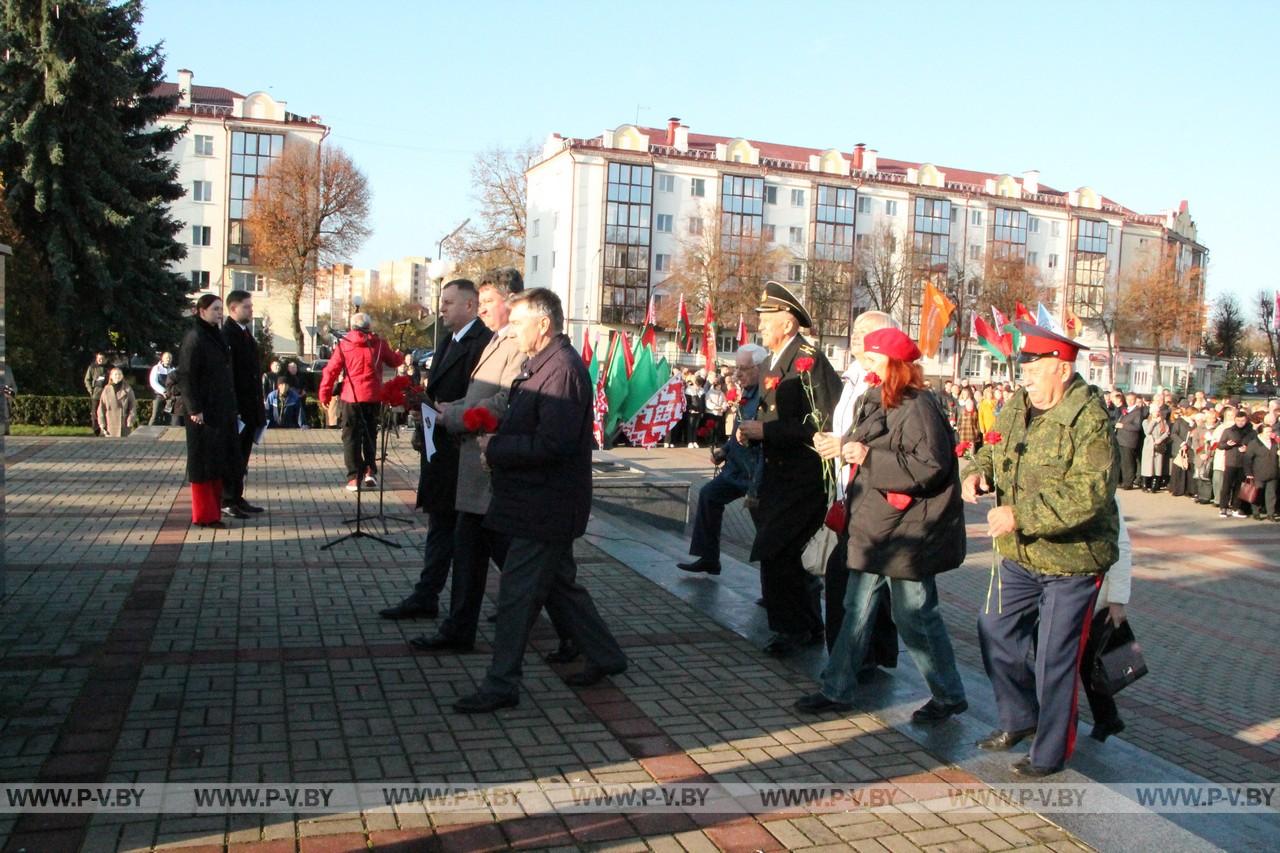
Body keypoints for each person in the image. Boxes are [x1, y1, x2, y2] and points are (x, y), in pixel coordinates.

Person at [454, 288, 626, 713]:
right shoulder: (542, 365)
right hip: (533, 501)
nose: (512, 331)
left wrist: (495, 449)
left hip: (545, 506)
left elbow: (554, 444)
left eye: (519, 322)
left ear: (544, 324)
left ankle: (501, 684)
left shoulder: (562, 371)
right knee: (560, 587)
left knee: (515, 597)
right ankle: (606, 655)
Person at [961, 322, 1119, 778]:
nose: (1024, 377)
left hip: (1072, 560)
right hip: (1020, 555)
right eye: (1024, 366)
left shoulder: (1090, 419)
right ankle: (1020, 717)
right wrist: (974, 471)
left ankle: (1050, 752)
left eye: (1035, 368)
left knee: (1054, 657)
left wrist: (1020, 515)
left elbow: (1089, 493)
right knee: (995, 629)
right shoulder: (1018, 405)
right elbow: (990, 450)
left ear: (1063, 370)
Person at [797, 326, 967, 723]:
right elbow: (866, 447)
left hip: (907, 532)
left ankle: (949, 693)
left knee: (916, 616)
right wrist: (840, 447)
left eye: (872, 359)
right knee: (855, 610)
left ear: (895, 364)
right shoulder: (879, 400)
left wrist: (864, 455)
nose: (865, 366)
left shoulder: (918, 405)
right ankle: (837, 688)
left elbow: (932, 467)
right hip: (877, 526)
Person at [409, 267, 575, 657]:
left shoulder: (521, 342)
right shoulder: (499, 340)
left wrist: (457, 415)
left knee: (534, 571)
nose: (482, 311)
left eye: (487, 303)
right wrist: (455, 408)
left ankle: (576, 634)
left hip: (492, 471)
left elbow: (507, 401)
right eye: (479, 303)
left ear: (510, 302)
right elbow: (483, 392)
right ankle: (459, 629)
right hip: (475, 467)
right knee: (469, 556)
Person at [736, 281, 840, 657]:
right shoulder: (776, 360)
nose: (761, 324)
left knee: (777, 551)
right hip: (778, 475)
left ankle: (790, 629)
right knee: (784, 555)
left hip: (802, 477)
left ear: (789, 322)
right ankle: (807, 626)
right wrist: (756, 434)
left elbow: (822, 421)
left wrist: (767, 431)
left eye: (768, 317)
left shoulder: (808, 360)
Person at [381, 279, 490, 620]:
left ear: (470, 306)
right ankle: (426, 595)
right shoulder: (447, 341)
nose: (441, 308)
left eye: (448, 302)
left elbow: (481, 397)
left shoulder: (482, 342)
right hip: (440, 445)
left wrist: (440, 409)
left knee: (481, 537)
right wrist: (420, 403)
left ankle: (529, 600)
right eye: (441, 301)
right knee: (441, 526)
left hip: (463, 450)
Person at [811, 311, 900, 670]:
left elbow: (889, 436)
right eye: (856, 330)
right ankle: (875, 654)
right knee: (871, 583)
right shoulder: (854, 374)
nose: (858, 336)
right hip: (848, 487)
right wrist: (830, 440)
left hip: (873, 494)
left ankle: (845, 665)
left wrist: (845, 443)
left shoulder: (892, 382)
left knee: (844, 576)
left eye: (868, 332)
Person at [676, 344, 767, 576]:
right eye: (736, 368)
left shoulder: (767, 394)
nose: (738, 374)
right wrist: (725, 451)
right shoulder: (746, 391)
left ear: (759, 368)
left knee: (766, 531)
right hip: (736, 468)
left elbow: (766, 433)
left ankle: (775, 590)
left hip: (757, 473)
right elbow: (738, 430)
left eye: (743, 369)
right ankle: (709, 558)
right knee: (708, 495)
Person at [318, 313, 405, 491]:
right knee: (370, 434)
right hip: (373, 397)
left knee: (350, 436)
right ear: (369, 327)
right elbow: (394, 361)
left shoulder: (344, 345)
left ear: (352, 326)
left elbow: (330, 371)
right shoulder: (379, 344)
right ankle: (369, 471)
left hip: (351, 397)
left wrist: (324, 394)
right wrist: (400, 354)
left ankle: (353, 478)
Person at [178, 295, 240, 529]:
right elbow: (186, 376)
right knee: (203, 464)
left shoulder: (216, 335)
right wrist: (194, 408)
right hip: (202, 413)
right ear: (201, 311)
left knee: (218, 462)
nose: (219, 313)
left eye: (219, 309)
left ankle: (214, 512)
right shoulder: (194, 338)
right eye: (214, 309)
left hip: (220, 409)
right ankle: (203, 515)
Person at [1082, 507, 1132, 742]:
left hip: (1094, 597)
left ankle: (1107, 718)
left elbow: (1120, 547)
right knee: (1084, 663)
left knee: (1089, 662)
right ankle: (1108, 718)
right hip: (1071, 594)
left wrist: (1117, 601)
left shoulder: (1106, 493)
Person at [221, 290, 266, 519]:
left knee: (242, 457)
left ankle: (237, 497)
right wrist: (234, 407)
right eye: (246, 306)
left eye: (250, 306)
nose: (251, 310)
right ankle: (227, 499)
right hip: (237, 407)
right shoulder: (227, 334)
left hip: (250, 407)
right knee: (233, 457)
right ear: (233, 309)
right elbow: (230, 374)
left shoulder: (245, 332)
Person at [1218, 408, 1255, 518]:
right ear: (1235, 420)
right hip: (1231, 462)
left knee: (1240, 487)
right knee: (1226, 486)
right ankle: (1223, 508)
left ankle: (1236, 508)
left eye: (1243, 421)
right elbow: (1220, 445)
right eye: (1238, 421)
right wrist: (1228, 445)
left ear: (1246, 420)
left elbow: (1255, 446)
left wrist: (1247, 448)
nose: (1240, 423)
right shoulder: (1228, 431)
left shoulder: (1252, 432)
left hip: (1244, 463)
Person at [1244, 416, 1278, 521]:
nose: (1270, 434)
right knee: (1257, 493)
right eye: (1267, 432)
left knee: (1271, 495)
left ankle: (1270, 514)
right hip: (1258, 473)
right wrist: (1248, 473)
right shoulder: (1254, 443)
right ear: (1261, 432)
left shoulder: (1275, 442)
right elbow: (1247, 459)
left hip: (1273, 472)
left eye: (1270, 431)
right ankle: (1256, 512)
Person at [96, 366, 137, 437]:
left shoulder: (128, 389)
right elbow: (101, 408)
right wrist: (102, 423)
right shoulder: (106, 389)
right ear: (111, 376)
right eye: (115, 374)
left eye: (120, 374)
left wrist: (130, 420)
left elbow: (133, 406)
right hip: (109, 424)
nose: (118, 376)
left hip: (124, 424)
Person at [1114, 393, 1145, 489]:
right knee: (1122, 462)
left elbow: (1137, 427)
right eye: (1128, 400)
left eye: (1132, 400)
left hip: (1129, 441)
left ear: (1135, 400)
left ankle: (1128, 483)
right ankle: (1124, 481)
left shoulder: (1137, 412)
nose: (1130, 401)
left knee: (1128, 462)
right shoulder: (1126, 410)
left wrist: (1123, 426)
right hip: (1121, 439)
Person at [1139, 405, 1170, 492]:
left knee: (1157, 465)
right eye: (1154, 411)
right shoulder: (1146, 421)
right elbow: (1147, 432)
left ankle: (1154, 485)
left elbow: (1167, 432)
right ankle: (1145, 484)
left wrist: (1160, 439)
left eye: (1157, 411)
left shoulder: (1163, 421)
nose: (1156, 413)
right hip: (1149, 445)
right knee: (1147, 465)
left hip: (1159, 445)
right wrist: (1154, 422)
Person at [84, 352, 110, 435]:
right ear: (96, 359)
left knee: (107, 411)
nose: (100, 360)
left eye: (102, 359)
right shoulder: (92, 368)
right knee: (95, 413)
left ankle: (106, 428)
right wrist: (90, 390)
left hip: (107, 394)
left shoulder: (110, 368)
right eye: (99, 359)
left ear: (106, 359)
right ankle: (96, 429)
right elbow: (87, 380)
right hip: (96, 394)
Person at [148, 352, 176, 426]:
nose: (168, 359)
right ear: (162, 358)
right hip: (158, 396)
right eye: (166, 357)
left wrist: (170, 393)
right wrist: (163, 391)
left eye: (170, 358)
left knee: (168, 417)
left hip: (169, 397)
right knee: (155, 416)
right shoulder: (156, 368)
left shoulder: (173, 370)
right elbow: (153, 382)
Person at [704, 373, 728, 446]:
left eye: (720, 386)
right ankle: (710, 441)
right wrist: (715, 407)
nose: (719, 388)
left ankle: (716, 441)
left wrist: (723, 408)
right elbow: (708, 402)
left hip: (719, 413)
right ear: (715, 386)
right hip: (711, 413)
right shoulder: (710, 393)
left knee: (717, 428)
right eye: (718, 386)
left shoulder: (722, 394)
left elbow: (724, 401)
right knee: (711, 428)